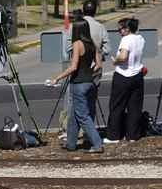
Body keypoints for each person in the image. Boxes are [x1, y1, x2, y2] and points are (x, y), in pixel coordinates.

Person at [50, 20, 103, 153]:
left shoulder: (77, 44)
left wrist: (57, 78)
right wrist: (89, 72)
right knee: (74, 115)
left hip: (78, 84)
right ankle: (71, 144)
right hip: (90, 83)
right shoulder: (92, 43)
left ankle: (97, 144)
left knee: (82, 116)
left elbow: (73, 67)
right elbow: (98, 65)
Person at [106, 17, 145, 143]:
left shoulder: (126, 39)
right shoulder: (140, 39)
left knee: (117, 105)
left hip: (123, 75)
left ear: (127, 29)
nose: (119, 31)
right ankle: (132, 135)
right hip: (137, 75)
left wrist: (115, 61)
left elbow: (123, 57)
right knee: (135, 107)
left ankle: (114, 135)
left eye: (120, 29)